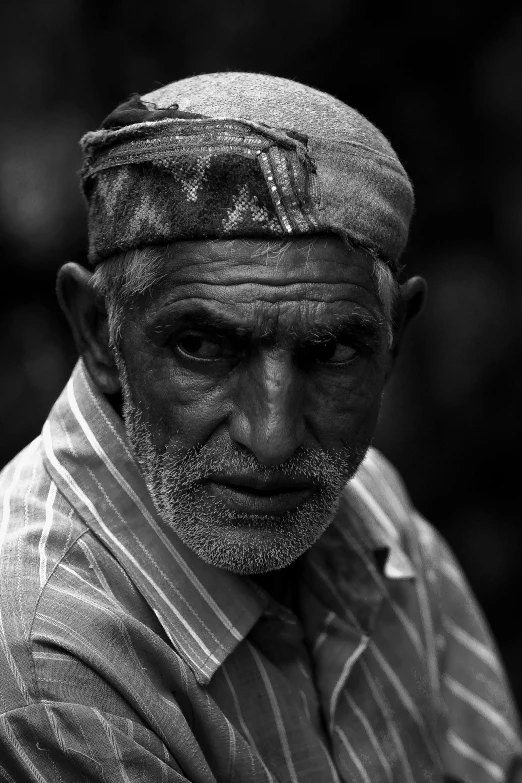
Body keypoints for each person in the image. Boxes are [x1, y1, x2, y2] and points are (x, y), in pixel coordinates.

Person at [0, 72, 519, 783]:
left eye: (333, 351)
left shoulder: (372, 507)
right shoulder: (46, 654)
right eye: (203, 346)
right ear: (98, 332)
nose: (273, 438)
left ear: (394, 337)